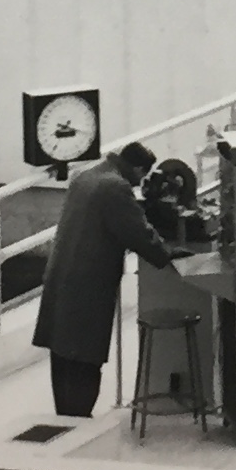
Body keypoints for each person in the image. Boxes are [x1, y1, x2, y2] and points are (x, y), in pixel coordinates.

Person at [31, 139, 171, 420]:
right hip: (89, 286)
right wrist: (166, 255)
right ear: (137, 168)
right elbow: (137, 232)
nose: (139, 183)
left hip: (62, 277)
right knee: (86, 356)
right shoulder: (115, 187)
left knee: (63, 354)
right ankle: (80, 418)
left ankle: (65, 418)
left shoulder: (87, 176)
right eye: (141, 176)